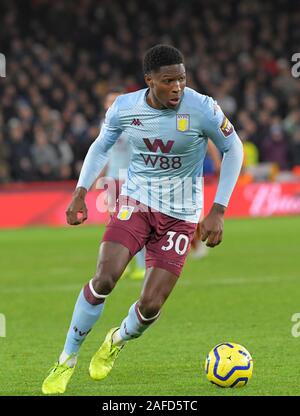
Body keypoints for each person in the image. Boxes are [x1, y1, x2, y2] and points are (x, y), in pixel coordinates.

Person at [42, 44, 243, 394]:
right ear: (149, 80)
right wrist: (80, 190)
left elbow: (233, 148)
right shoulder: (125, 107)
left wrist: (219, 209)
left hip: (181, 216)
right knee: (104, 279)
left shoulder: (203, 108)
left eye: (181, 79)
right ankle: (66, 359)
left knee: (150, 305)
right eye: (168, 81)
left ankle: (116, 340)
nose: (177, 87)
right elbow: (101, 145)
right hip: (136, 202)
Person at [99, 89, 146, 280]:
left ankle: (142, 266)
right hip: (112, 179)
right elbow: (104, 153)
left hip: (129, 178)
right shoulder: (104, 124)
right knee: (114, 224)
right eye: (109, 101)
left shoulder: (130, 124)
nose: (112, 104)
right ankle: (122, 266)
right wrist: (99, 176)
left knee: (134, 224)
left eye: (115, 101)